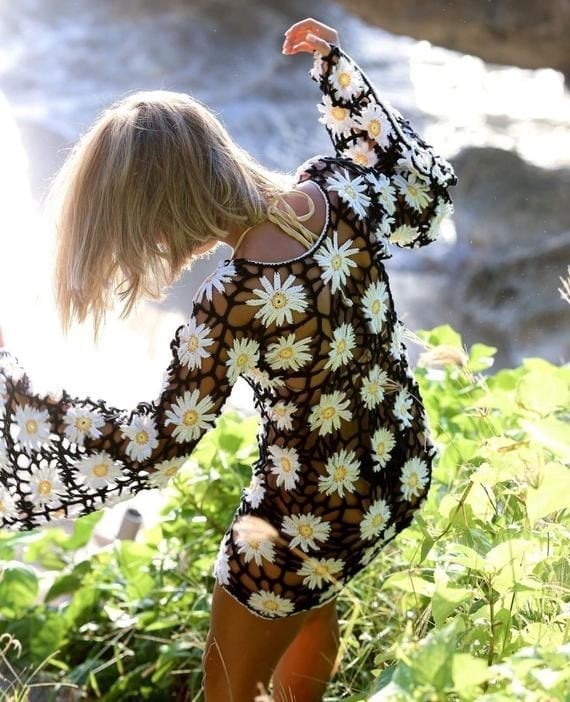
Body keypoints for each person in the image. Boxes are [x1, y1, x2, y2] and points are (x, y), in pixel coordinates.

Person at [0, 16, 457, 702]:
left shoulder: (232, 303)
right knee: (309, 595)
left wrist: (20, 403)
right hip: (394, 471)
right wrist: (338, 72)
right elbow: (422, 190)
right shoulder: (340, 194)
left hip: (303, 516)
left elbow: (156, 447)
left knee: (228, 688)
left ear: (164, 210)